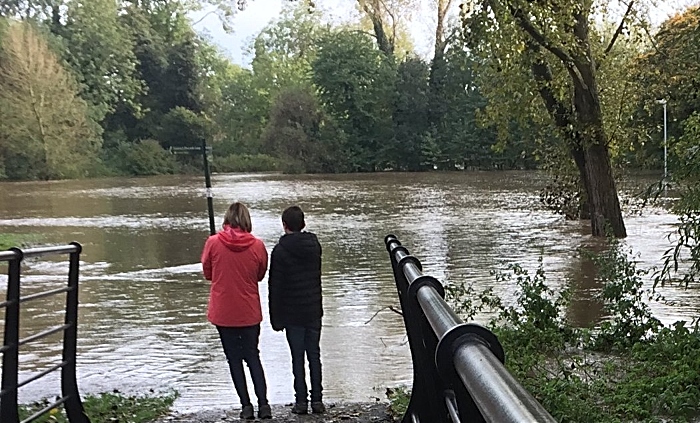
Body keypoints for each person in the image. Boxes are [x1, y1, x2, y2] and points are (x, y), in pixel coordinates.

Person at [201, 202, 272, 420]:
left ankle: (246, 406)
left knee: (234, 359)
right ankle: (264, 405)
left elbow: (207, 272)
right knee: (253, 356)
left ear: (227, 219)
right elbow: (260, 274)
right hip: (249, 311)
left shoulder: (213, 242)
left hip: (223, 312)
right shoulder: (258, 245)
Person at [268, 205, 325, 415]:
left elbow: (275, 287)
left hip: (292, 314)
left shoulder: (280, 251)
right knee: (314, 355)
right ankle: (317, 400)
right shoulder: (314, 246)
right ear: (303, 224)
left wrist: (276, 319)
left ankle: (301, 401)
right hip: (313, 309)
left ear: (284, 225)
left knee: (297, 357)